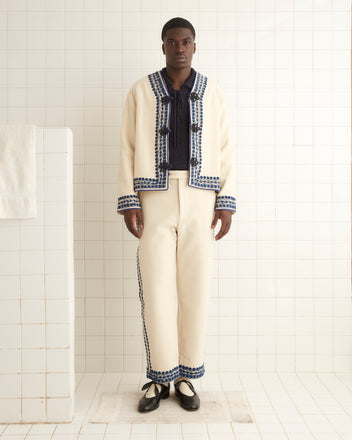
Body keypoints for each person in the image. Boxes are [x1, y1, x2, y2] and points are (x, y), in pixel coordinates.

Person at [117, 17, 236, 413]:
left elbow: (225, 147)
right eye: (172, 42)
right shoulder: (141, 90)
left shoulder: (211, 92)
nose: (180, 48)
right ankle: (158, 377)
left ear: (195, 46)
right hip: (155, 195)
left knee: (195, 288)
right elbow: (127, 145)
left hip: (202, 195)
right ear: (163, 46)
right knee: (157, 287)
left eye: (186, 41)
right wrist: (128, 198)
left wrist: (226, 200)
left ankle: (187, 376)